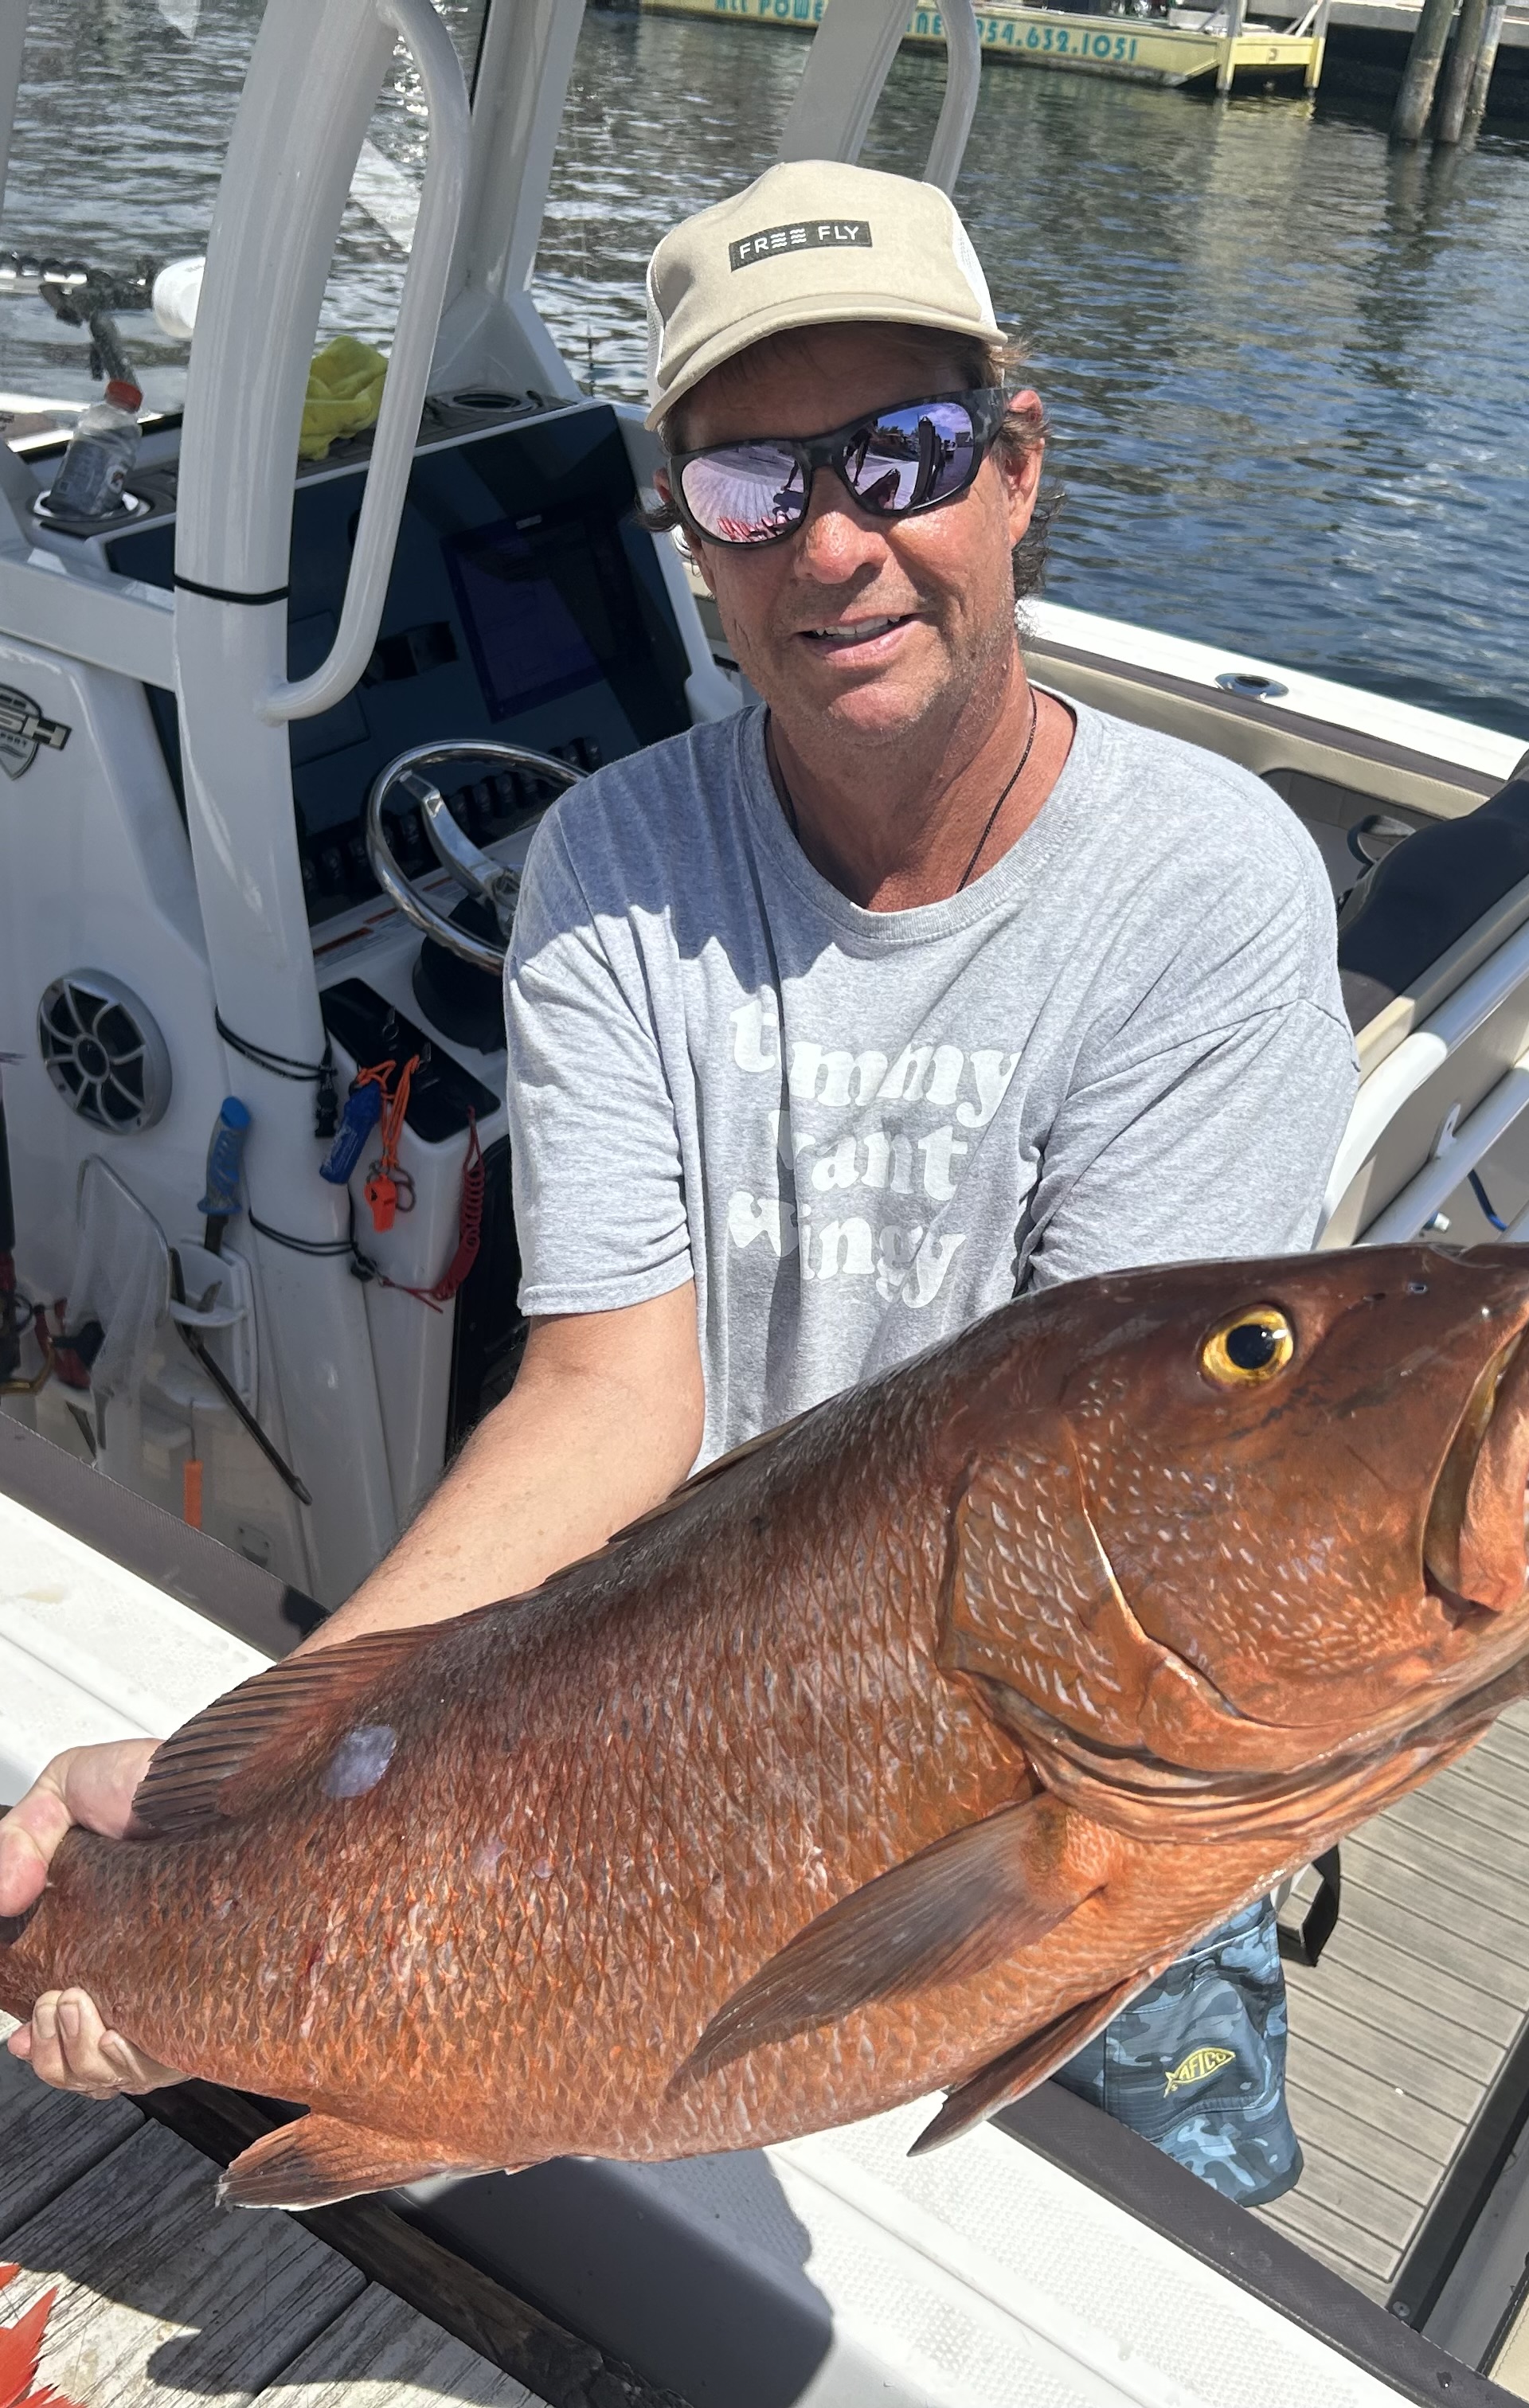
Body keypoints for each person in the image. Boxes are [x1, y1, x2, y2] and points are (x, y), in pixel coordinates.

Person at [0, 161, 1355, 2205]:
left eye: (900, 454)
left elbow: (1130, 1505)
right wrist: (231, 1794)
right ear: (686, 533)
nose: (836, 545)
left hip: (1082, 1782)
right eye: (750, 485)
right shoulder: (611, 866)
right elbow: (613, 1397)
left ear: (1014, 467)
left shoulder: (1206, 889)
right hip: (696, 1776)